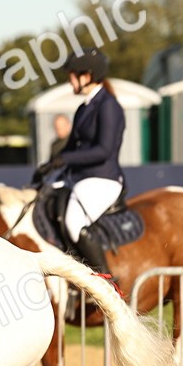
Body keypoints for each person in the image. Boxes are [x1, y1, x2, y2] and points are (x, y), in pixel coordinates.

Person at [32, 49, 124, 282]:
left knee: (74, 223)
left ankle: (106, 282)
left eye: (73, 75)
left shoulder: (109, 106)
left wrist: (66, 160)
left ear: (88, 75)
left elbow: (104, 150)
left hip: (102, 178)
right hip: (79, 176)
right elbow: (71, 147)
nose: (69, 80)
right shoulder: (84, 108)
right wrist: (50, 166)